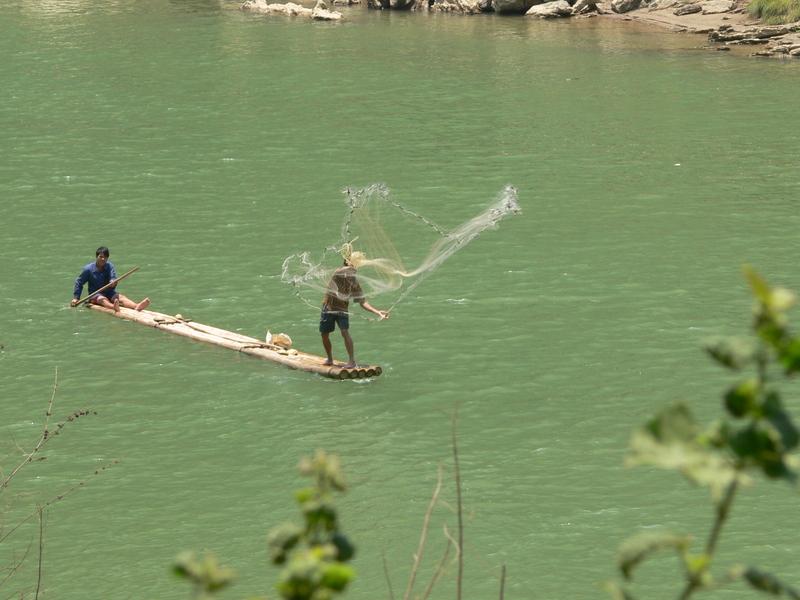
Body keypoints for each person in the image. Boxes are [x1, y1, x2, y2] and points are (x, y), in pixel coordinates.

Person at [320, 251, 388, 368]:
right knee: (324, 334)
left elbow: (363, 302)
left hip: (342, 309)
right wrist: (350, 264)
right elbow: (341, 270)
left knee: (344, 331)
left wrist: (377, 312)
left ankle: (351, 361)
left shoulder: (355, 284)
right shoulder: (338, 275)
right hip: (328, 307)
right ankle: (330, 358)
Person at [70, 247, 150, 312]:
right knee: (103, 300)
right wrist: (76, 298)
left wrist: (113, 282)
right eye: (101, 257)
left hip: (109, 292)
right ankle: (113, 307)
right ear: (96, 257)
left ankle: (136, 306)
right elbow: (79, 282)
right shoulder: (88, 269)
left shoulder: (109, 266)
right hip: (95, 295)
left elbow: (113, 276)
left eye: (105, 257)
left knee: (122, 297)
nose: (103, 259)